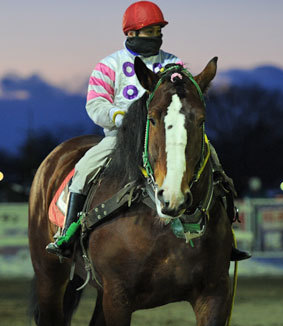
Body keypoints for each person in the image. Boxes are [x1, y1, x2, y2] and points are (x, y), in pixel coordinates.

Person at [46, 1, 250, 261]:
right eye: (149, 31)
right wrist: (118, 116)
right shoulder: (109, 65)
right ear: (131, 33)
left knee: (212, 158)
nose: (156, 37)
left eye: (158, 31)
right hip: (121, 137)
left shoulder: (173, 63)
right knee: (85, 167)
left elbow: (185, 96)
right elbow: (95, 103)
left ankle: (226, 234)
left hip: (166, 136)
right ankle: (68, 233)